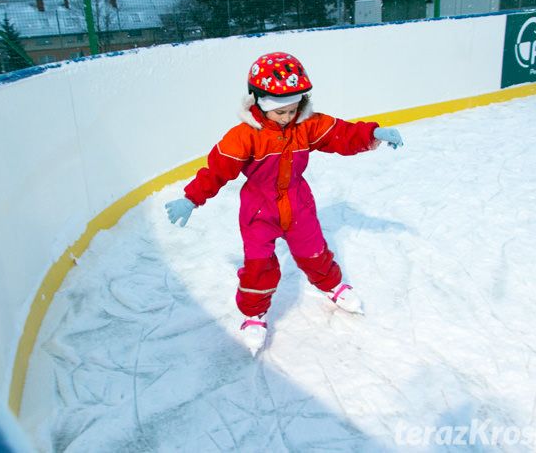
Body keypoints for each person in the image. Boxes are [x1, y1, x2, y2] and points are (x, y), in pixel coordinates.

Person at [165, 52, 403, 355]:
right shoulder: (244, 136)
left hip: (298, 202)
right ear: (258, 102)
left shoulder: (307, 125)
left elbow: (340, 133)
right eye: (281, 113)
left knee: (314, 251)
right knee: (259, 265)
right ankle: (255, 314)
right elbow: (216, 170)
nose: (288, 117)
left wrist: (373, 134)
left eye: (293, 109)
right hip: (259, 210)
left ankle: (332, 286)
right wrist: (191, 198)